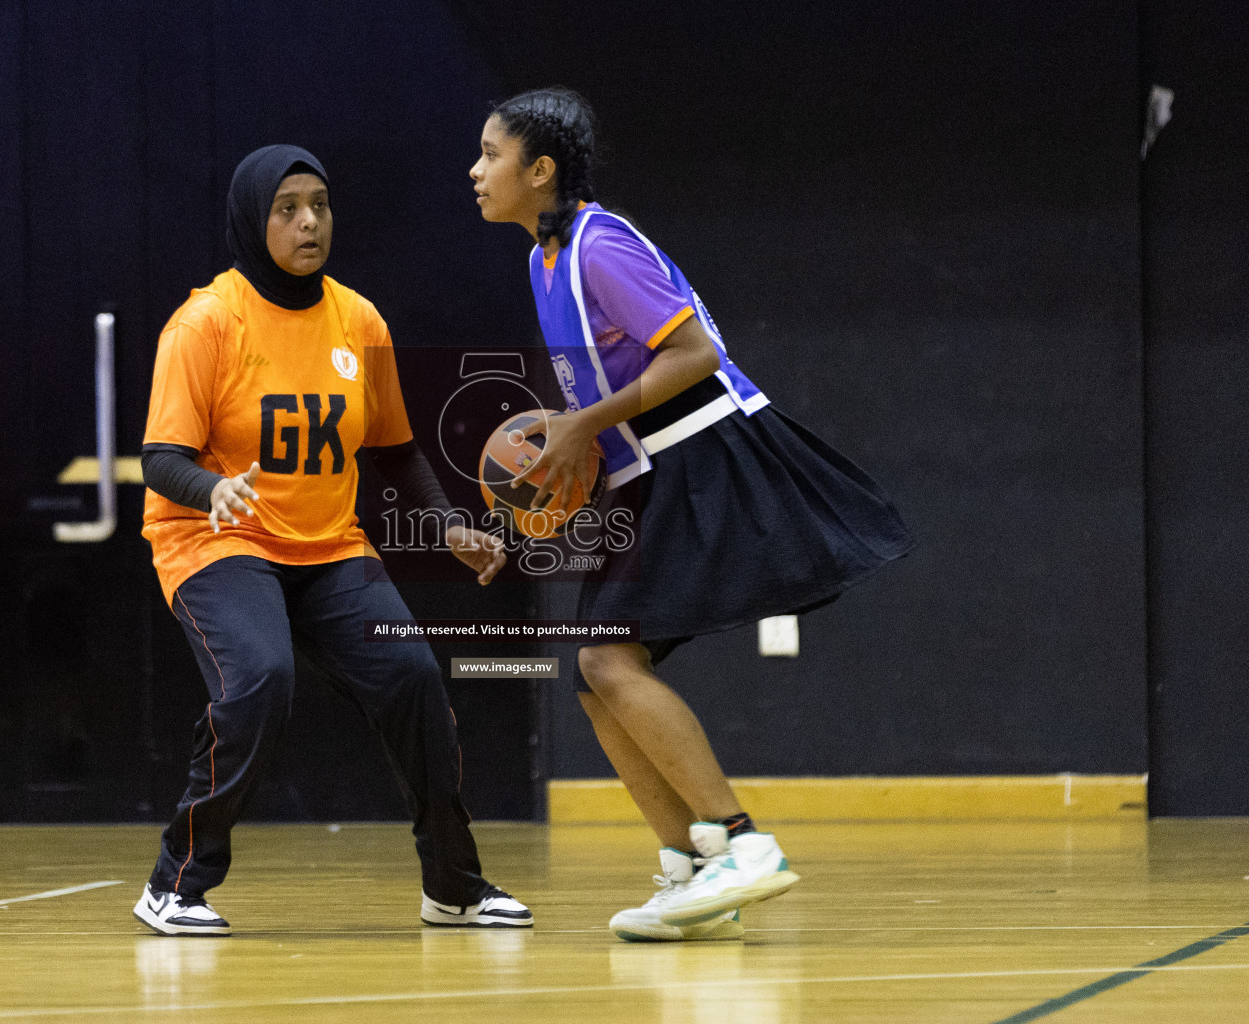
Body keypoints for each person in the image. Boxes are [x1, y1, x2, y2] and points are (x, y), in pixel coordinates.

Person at [469, 89, 914, 942]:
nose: (476, 171)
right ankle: (694, 865)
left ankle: (742, 847)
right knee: (600, 682)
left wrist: (585, 429)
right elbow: (589, 410)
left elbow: (697, 354)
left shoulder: (603, 245)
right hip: (643, 466)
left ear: (541, 170)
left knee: (606, 661)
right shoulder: (542, 261)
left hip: (704, 452)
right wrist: (529, 508)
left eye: (491, 155)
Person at [133, 144, 530, 936]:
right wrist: (214, 488)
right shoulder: (207, 322)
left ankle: (453, 885)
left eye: (319, 203)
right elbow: (160, 460)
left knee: (413, 676)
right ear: (254, 218)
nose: (309, 221)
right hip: (217, 540)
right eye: (287, 208)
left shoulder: (357, 318)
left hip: (327, 546)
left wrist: (447, 523)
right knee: (259, 679)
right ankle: (175, 884)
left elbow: (393, 446)